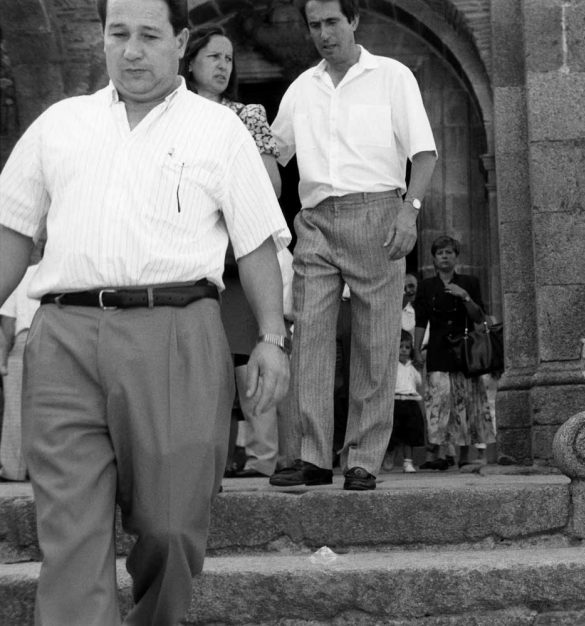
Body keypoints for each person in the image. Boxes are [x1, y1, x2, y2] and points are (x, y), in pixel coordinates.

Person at [0, 0, 291, 622]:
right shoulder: (59, 124)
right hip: (64, 339)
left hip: (175, 334)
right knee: (70, 534)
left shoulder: (219, 131)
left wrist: (271, 336)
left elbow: (259, 240)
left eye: (149, 35)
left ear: (180, 40)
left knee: (170, 526)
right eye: (118, 34)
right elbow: (14, 232)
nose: (131, 50)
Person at [269, 0, 437, 491]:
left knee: (376, 340)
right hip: (316, 219)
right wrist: (242, 128)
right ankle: (313, 456)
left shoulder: (392, 75)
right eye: (315, 25)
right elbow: (275, 153)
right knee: (311, 338)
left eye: (332, 23)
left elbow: (423, 153)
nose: (324, 34)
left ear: (355, 21)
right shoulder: (302, 87)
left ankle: (363, 457)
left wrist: (411, 211)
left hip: (379, 212)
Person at [182, 24, 288, 478]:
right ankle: (211, 463)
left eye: (228, 58)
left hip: (237, 259)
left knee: (250, 361)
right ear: (189, 61)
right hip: (186, 258)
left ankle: (263, 461)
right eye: (213, 57)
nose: (223, 66)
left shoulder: (248, 115)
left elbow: (272, 186)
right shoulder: (172, 114)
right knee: (203, 370)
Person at [412, 236, 495, 470]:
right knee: (437, 402)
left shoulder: (469, 282)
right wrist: (417, 350)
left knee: (466, 399)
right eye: (440, 253)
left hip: (464, 349)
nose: (445, 256)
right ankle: (434, 456)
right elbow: (421, 320)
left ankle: (465, 455)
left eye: (449, 252)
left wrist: (464, 296)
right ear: (434, 258)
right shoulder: (427, 286)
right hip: (438, 348)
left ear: (456, 256)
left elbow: (479, 317)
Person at [0, 239, 42, 482]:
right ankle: (45, 470)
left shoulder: (19, 275)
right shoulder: (62, 272)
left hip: (23, 340)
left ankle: (14, 469)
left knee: (16, 409)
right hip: (53, 340)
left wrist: (3, 360)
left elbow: (7, 326)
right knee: (53, 411)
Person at [384, 330, 424, 473]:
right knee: (392, 432)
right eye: (401, 347)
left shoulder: (412, 366)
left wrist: (418, 369)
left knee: (410, 434)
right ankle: (389, 454)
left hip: (410, 401)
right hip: (395, 401)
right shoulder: (391, 365)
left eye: (407, 347)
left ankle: (408, 462)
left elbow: (418, 382)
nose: (404, 350)